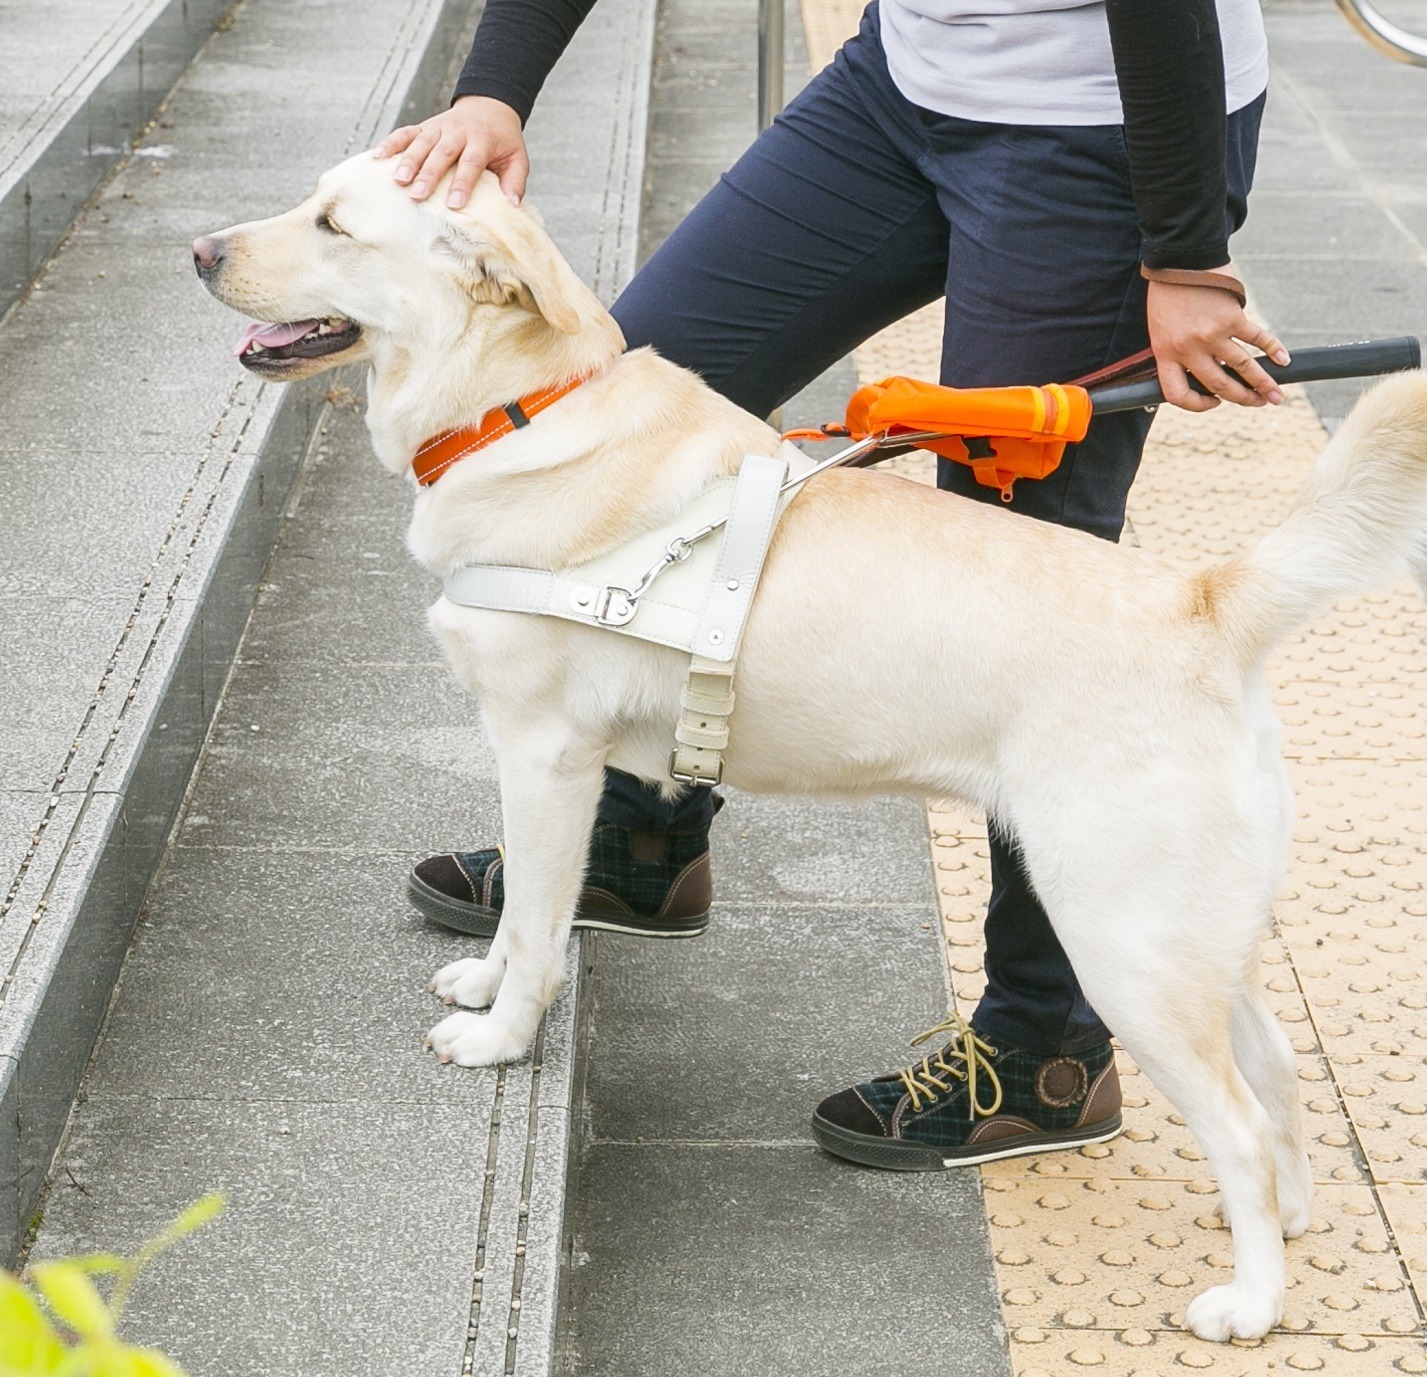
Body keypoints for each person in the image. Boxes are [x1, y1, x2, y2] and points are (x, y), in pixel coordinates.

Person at [383, 0, 1283, 1169]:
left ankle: (1041, 1056)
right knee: (643, 376)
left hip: (1100, 122)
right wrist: (495, 88)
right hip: (904, 83)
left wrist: (1182, 249)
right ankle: (639, 830)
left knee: (1019, 581)